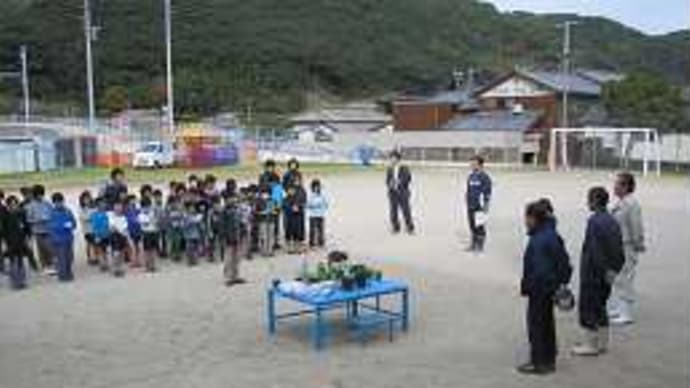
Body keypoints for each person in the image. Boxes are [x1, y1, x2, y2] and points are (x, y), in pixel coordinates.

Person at [518, 201, 572, 375]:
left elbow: (539, 270)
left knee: (537, 325)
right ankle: (549, 358)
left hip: (540, 289)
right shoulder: (551, 234)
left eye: (527, 217)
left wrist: (529, 286)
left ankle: (539, 362)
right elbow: (565, 264)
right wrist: (561, 282)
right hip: (549, 288)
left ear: (534, 218)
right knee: (547, 324)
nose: (525, 221)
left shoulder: (539, 240)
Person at [572, 187, 625, 356]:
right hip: (608, 274)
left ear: (595, 201)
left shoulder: (594, 221)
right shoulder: (612, 220)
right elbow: (619, 249)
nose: (587, 202)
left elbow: (595, 252)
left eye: (589, 199)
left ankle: (591, 345)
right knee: (601, 306)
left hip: (593, 274)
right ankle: (603, 342)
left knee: (588, 307)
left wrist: (602, 270)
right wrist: (614, 270)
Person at [608, 172, 645, 325]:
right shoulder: (619, 203)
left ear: (626, 186)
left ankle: (626, 313)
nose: (614, 187)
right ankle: (619, 307)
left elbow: (636, 226)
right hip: (617, 246)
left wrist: (638, 244)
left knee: (626, 278)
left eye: (618, 184)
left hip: (627, 245)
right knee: (617, 278)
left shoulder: (632, 204)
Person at [2, 195, 32, 289]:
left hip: (21, 241)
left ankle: (22, 281)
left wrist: (28, 238)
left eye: (15, 204)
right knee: (12, 262)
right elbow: (3, 231)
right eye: (11, 205)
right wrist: (4, 243)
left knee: (21, 261)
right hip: (10, 242)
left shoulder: (22, 214)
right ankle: (14, 282)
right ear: (8, 205)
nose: (14, 206)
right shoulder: (5, 216)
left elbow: (27, 228)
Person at [465, 155, 492, 252]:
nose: (471, 165)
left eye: (474, 163)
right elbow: (468, 190)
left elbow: (487, 192)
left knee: (479, 225)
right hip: (470, 205)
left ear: (480, 165)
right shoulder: (471, 176)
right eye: (471, 163)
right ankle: (473, 244)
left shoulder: (485, 177)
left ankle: (480, 245)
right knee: (472, 225)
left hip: (479, 205)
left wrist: (486, 205)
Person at [26, 184, 55, 274]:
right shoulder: (31, 205)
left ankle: (51, 264)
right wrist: (38, 220)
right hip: (38, 230)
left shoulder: (47, 203)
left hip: (48, 229)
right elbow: (28, 219)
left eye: (41, 194)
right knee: (41, 249)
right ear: (35, 195)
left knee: (50, 248)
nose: (40, 196)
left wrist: (48, 218)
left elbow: (52, 213)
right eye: (38, 194)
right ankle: (45, 266)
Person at [385, 150, 415, 234]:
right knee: (393, 211)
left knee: (406, 211)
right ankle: (395, 227)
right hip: (392, 193)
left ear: (398, 159)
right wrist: (390, 184)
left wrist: (399, 182)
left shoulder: (404, 167)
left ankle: (410, 228)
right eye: (391, 158)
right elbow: (387, 180)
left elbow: (408, 178)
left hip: (403, 193)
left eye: (393, 158)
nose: (392, 160)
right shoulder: (390, 168)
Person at [49, 193, 77, 282]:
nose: (59, 204)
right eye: (56, 202)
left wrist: (71, 225)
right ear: (54, 203)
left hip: (68, 238)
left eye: (60, 202)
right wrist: (62, 226)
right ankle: (63, 275)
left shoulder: (68, 211)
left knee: (69, 257)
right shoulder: (52, 213)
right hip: (58, 239)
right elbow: (51, 226)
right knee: (61, 258)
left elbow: (74, 223)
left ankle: (69, 272)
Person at [283, 177, 307, 254]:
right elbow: (284, 206)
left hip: (298, 218)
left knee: (298, 233)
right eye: (290, 190)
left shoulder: (302, 192)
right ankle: (290, 248)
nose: (291, 191)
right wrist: (291, 208)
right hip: (289, 219)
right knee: (289, 233)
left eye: (293, 190)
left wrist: (298, 207)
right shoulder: (286, 198)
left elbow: (303, 203)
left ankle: (298, 248)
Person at [108, 200, 129, 277]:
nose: (118, 208)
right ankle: (116, 269)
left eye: (120, 206)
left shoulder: (123, 217)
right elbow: (112, 227)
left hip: (122, 236)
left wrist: (125, 235)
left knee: (122, 253)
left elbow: (125, 227)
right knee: (116, 253)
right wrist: (120, 231)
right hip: (115, 236)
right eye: (116, 206)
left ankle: (120, 268)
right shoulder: (111, 216)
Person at [138, 197, 159, 272]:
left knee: (153, 249)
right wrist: (150, 219)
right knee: (147, 250)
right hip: (146, 233)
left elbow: (156, 221)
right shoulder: (141, 214)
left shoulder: (152, 212)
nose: (147, 207)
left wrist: (153, 219)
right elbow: (145, 223)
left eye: (148, 205)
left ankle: (153, 265)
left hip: (153, 231)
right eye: (145, 206)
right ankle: (147, 265)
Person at [89, 197, 111, 272]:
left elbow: (109, 224)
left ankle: (106, 263)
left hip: (106, 235)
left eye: (104, 203)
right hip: (99, 235)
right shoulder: (94, 214)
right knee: (100, 250)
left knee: (105, 250)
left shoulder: (107, 214)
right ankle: (102, 264)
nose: (103, 205)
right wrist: (96, 235)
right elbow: (94, 226)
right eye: (101, 204)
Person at [307, 179, 328, 248]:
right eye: (315, 187)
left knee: (321, 229)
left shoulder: (322, 194)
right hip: (312, 215)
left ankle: (321, 242)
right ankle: (312, 243)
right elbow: (308, 204)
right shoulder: (310, 194)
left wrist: (322, 206)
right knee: (312, 230)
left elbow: (326, 204)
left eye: (318, 186)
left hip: (321, 214)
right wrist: (314, 205)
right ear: (312, 187)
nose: (316, 188)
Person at [78, 191, 97, 265]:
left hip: (94, 228)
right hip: (87, 230)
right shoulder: (81, 208)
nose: (87, 200)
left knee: (95, 243)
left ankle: (95, 257)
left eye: (88, 198)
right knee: (89, 243)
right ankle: (89, 258)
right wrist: (92, 215)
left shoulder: (93, 207)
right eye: (85, 199)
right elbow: (84, 218)